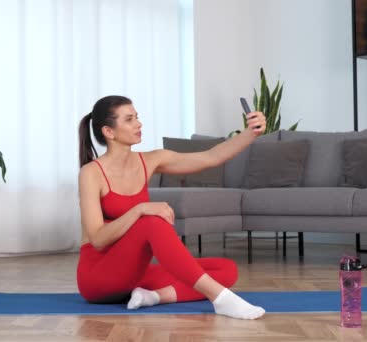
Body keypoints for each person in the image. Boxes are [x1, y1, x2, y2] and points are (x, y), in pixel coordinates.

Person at [77, 95, 267, 320]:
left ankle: (153, 297)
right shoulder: (91, 173)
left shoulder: (150, 160)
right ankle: (221, 299)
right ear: (109, 132)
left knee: (225, 269)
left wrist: (250, 133)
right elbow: (98, 238)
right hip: (99, 278)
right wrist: (139, 209)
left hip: (133, 275)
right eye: (129, 119)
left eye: (137, 117)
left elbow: (210, 157)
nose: (139, 124)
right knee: (150, 221)